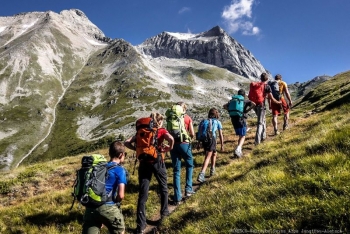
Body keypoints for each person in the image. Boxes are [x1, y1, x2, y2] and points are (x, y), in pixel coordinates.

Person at [124, 113, 174, 234]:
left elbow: (126, 142)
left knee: (143, 193)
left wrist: (136, 149)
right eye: (161, 120)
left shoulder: (141, 131)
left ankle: (140, 225)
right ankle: (164, 213)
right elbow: (171, 139)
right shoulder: (161, 130)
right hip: (157, 162)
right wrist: (169, 148)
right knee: (163, 187)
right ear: (159, 121)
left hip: (143, 163)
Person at [82, 141, 128, 234]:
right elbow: (121, 195)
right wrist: (115, 203)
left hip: (91, 207)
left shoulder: (100, 167)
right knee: (120, 230)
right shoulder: (120, 170)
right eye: (125, 154)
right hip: (108, 207)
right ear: (121, 155)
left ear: (109, 153)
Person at [169, 102, 195, 205]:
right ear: (184, 109)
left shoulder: (171, 118)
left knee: (176, 171)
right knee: (190, 165)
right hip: (184, 144)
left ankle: (177, 197)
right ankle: (188, 189)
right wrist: (189, 139)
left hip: (173, 145)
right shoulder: (187, 118)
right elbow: (192, 133)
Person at [223, 89, 255, 158]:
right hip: (241, 119)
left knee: (240, 135)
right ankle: (238, 149)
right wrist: (247, 110)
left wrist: (229, 111)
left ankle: (238, 151)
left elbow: (224, 106)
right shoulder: (245, 100)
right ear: (244, 95)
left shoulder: (233, 100)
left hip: (233, 119)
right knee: (243, 135)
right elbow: (254, 104)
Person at [251, 73, 281, 145]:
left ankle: (263, 136)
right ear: (267, 79)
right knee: (260, 123)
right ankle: (257, 141)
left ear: (260, 78)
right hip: (261, 105)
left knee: (263, 119)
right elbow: (272, 98)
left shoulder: (256, 85)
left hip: (254, 104)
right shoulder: (267, 86)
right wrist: (278, 102)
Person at [197, 108, 224, 183]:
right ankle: (201, 174)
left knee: (214, 153)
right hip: (212, 140)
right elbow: (221, 134)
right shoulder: (217, 122)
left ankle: (212, 169)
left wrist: (199, 143)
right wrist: (222, 145)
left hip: (204, 140)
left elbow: (199, 133)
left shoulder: (204, 121)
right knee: (208, 156)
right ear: (216, 114)